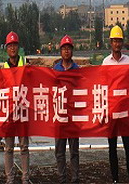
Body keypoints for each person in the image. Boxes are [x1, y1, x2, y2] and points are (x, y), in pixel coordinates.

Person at [102, 25, 129, 184]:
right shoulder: (105, 62)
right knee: (112, 147)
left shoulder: (127, 61)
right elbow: (102, 86)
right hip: (112, 111)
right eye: (114, 41)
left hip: (125, 112)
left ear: (122, 43)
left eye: (119, 41)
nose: (117, 44)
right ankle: (115, 178)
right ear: (111, 43)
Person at [3, 31, 30, 184]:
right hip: (9, 113)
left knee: (24, 146)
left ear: (18, 47)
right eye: (10, 45)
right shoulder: (3, 67)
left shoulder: (25, 64)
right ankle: (10, 178)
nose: (12, 48)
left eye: (14, 45)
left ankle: (25, 177)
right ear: (6, 48)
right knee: (8, 148)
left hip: (23, 111)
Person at [53, 35, 80, 183]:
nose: (66, 51)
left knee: (74, 151)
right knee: (60, 151)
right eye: (64, 48)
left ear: (72, 51)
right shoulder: (55, 70)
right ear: (60, 51)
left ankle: (75, 178)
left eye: (69, 48)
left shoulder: (78, 70)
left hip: (73, 116)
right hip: (60, 115)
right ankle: (62, 178)